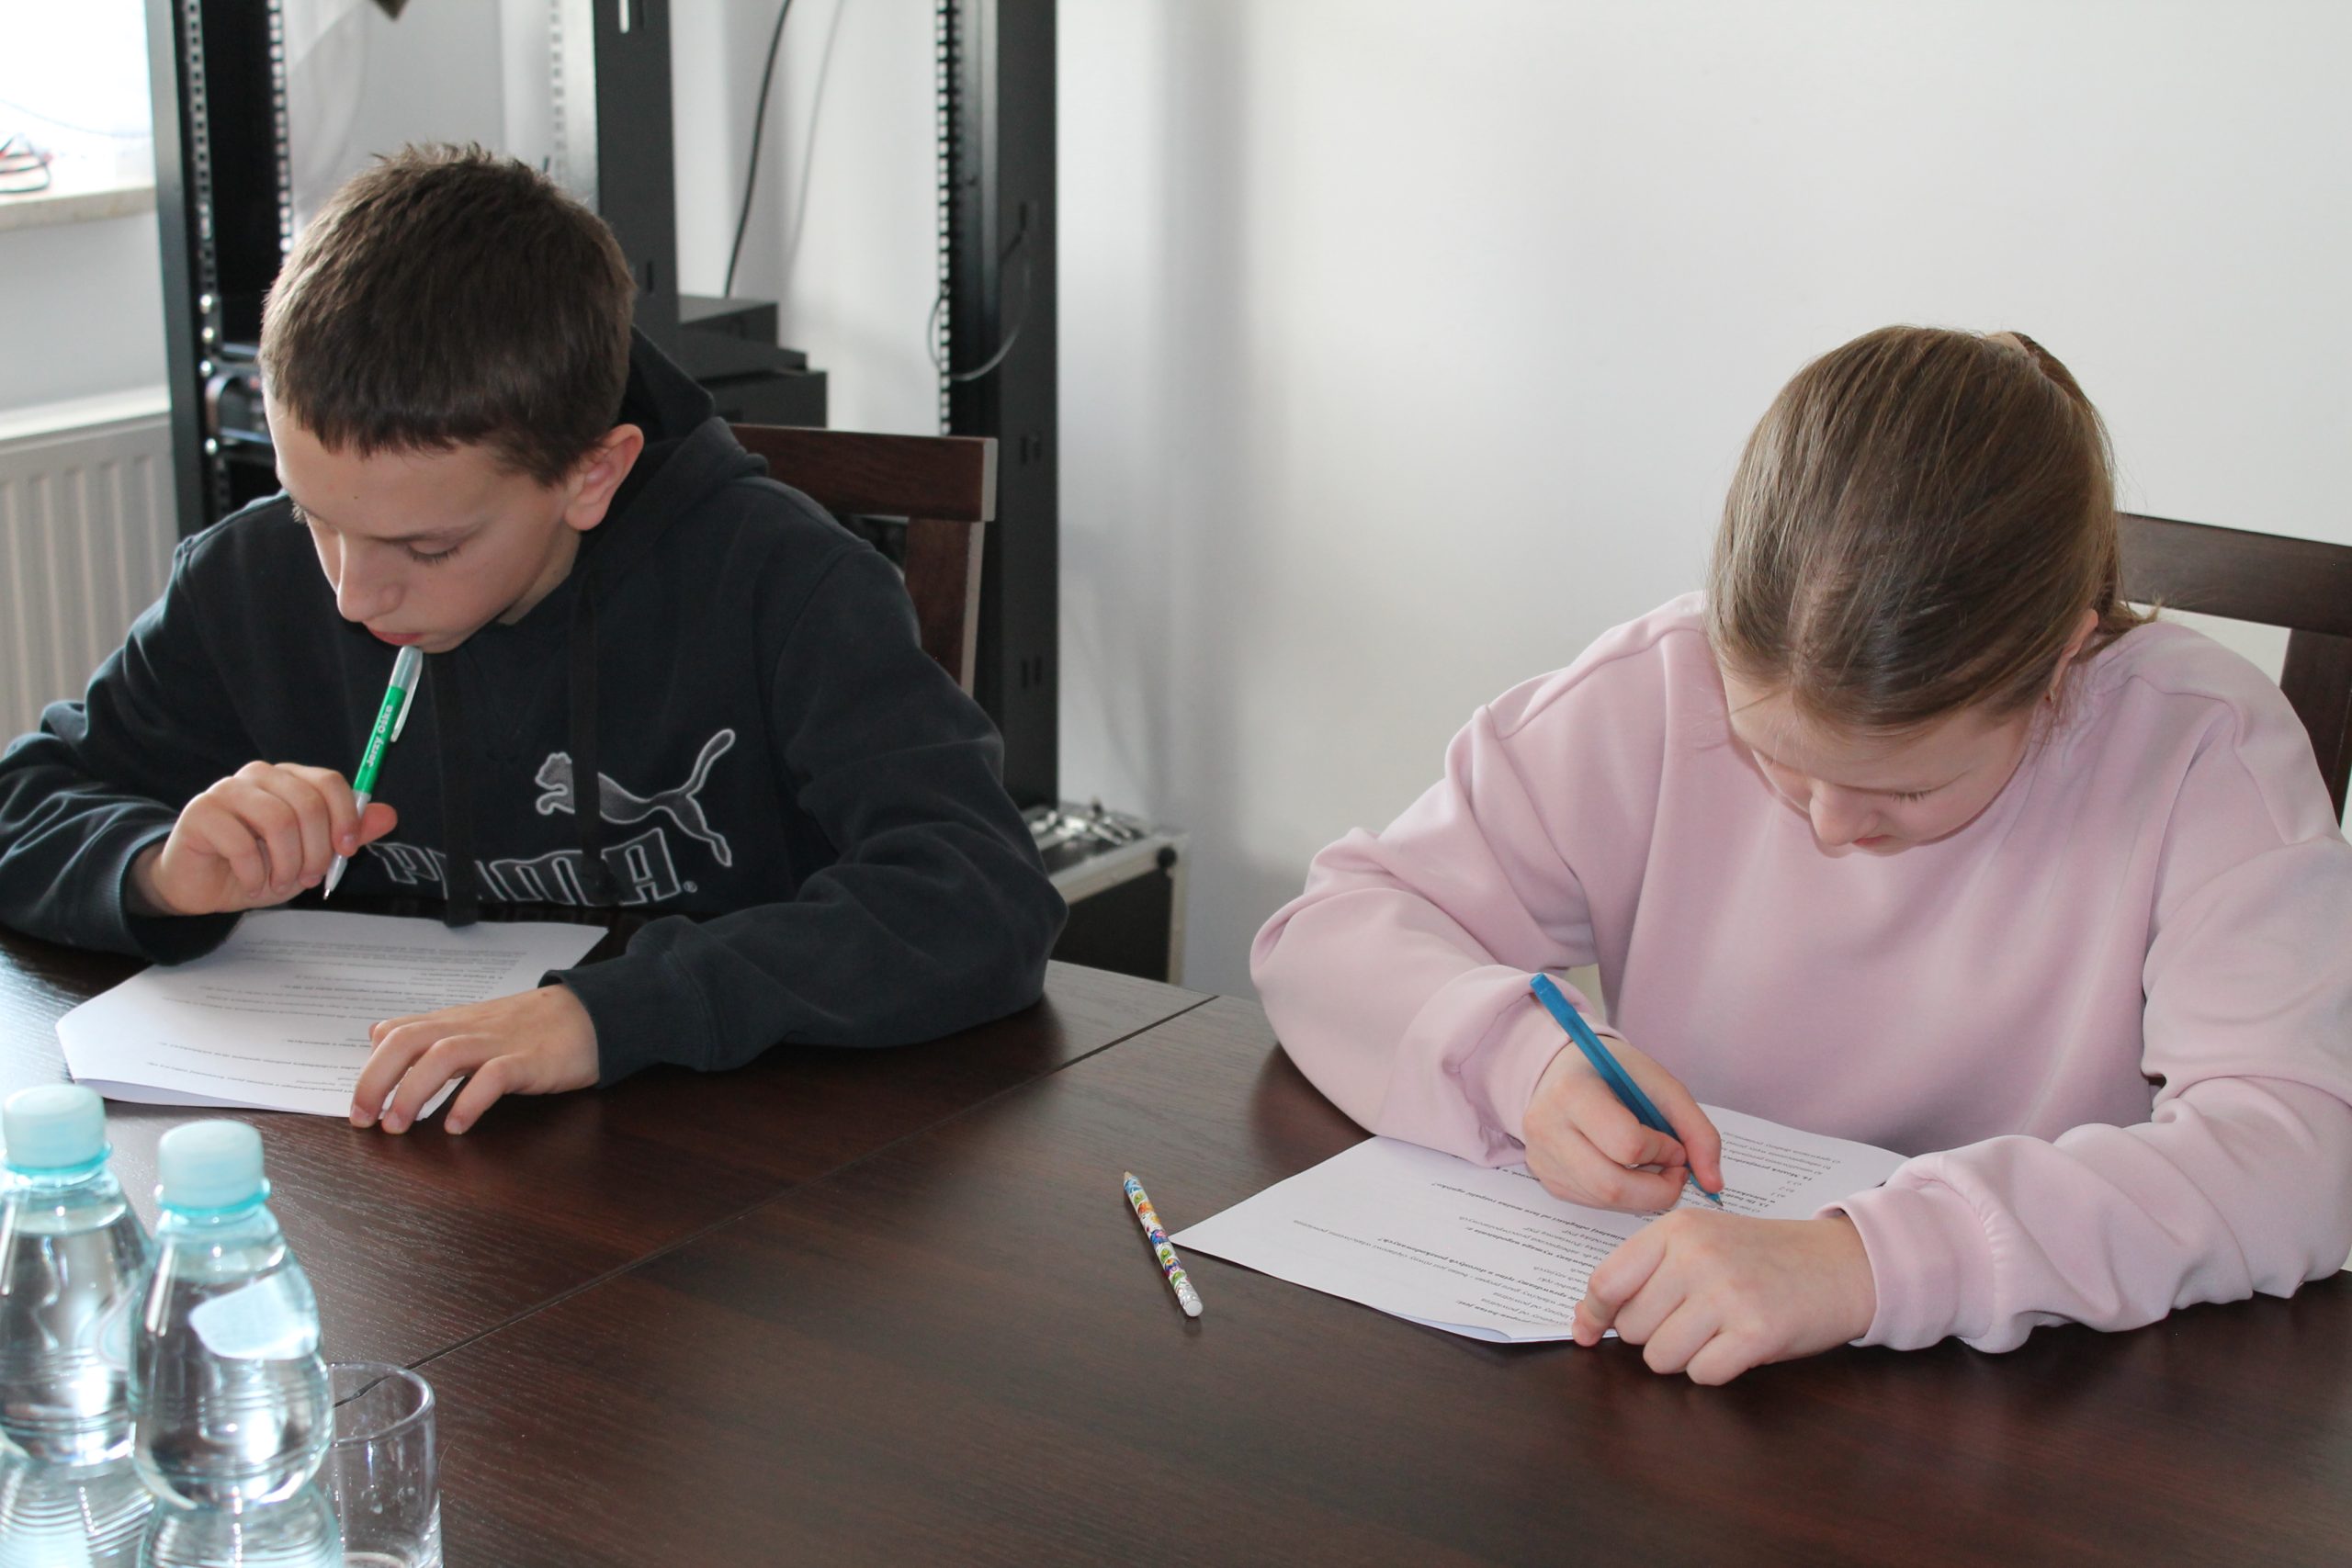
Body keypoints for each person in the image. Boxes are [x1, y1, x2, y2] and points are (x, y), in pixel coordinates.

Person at [1252, 326, 2352, 1384]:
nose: (1829, 827)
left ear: (2062, 656)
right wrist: (1521, 1064)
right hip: (1680, 1356)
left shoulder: (2200, 751)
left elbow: (2301, 1150)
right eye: (1775, 756)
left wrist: (1869, 1263)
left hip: (2040, 1399)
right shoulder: (1653, 690)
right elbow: (1329, 935)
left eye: (1907, 787)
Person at [0, 145, 1065, 1134]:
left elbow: (978, 895)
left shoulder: (784, 585)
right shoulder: (247, 581)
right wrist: (156, 871)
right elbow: (26, 802)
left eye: (427, 546)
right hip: (375, 1160)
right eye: (314, 514)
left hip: (724, 1168)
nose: (353, 593)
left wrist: (610, 1013)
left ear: (591, 475)